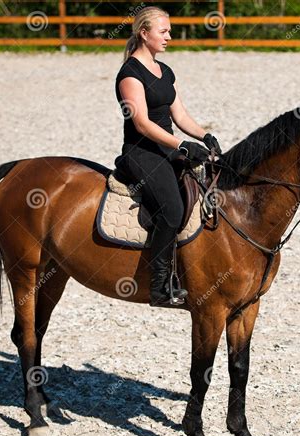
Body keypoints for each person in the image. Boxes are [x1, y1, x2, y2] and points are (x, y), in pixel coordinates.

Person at [114, 6, 222, 306]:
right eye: (164, 31)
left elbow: (180, 114)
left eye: (170, 31)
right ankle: (159, 287)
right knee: (172, 210)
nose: (169, 37)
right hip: (141, 153)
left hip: (167, 148)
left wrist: (204, 135)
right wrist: (182, 146)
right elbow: (142, 123)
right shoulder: (130, 75)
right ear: (144, 33)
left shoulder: (165, 71)